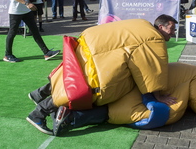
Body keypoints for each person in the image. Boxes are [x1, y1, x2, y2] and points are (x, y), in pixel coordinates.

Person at [26, 14, 178, 135]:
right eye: (171, 29)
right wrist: (158, 95)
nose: (173, 32)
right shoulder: (154, 38)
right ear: (160, 27)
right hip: (98, 56)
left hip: (88, 43)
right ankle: (38, 113)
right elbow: (152, 70)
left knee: (71, 72)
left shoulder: (141, 23)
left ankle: (38, 93)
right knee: (80, 88)